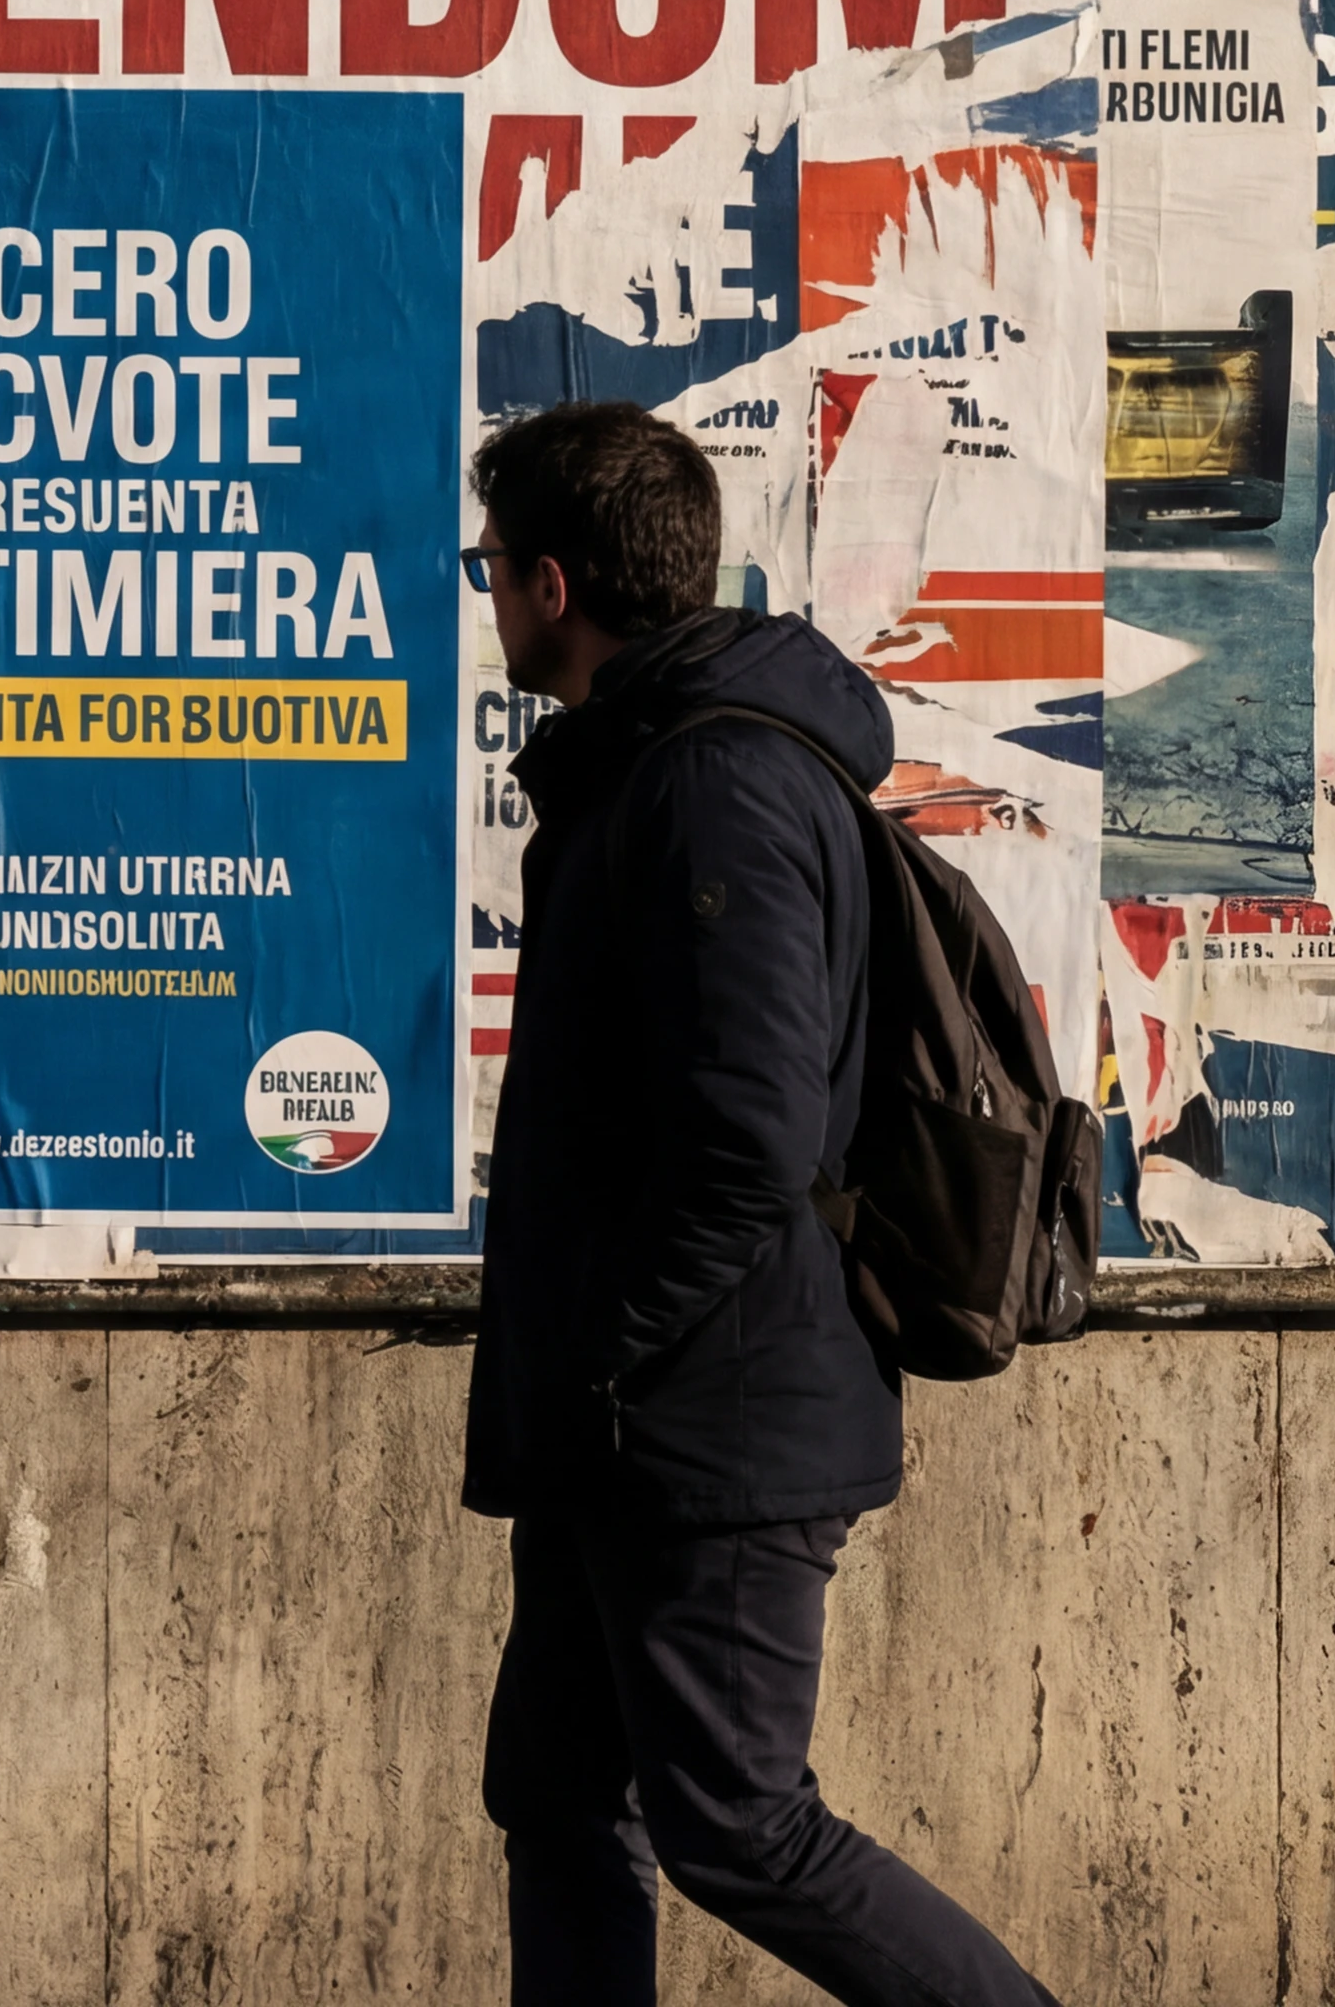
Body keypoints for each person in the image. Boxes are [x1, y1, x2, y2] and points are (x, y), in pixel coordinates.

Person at [461, 400, 1058, 2007]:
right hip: (633, 1424)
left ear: (558, 585)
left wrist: (605, 1350)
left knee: (742, 1828)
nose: (492, 598)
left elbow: (747, 1142)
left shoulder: (715, 788)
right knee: (563, 1799)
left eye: (493, 569)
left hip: (702, 1424)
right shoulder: (657, 769)